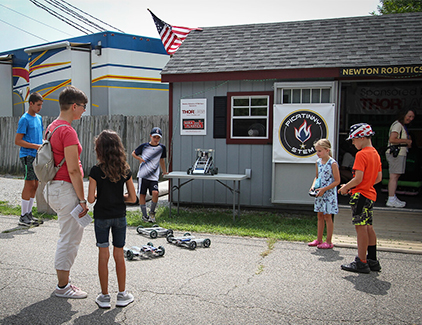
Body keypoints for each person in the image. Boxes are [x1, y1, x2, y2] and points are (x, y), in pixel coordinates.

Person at [43, 86, 89, 298]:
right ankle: (62, 287)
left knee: (67, 236)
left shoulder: (52, 127)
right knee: (69, 239)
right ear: (74, 106)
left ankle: (65, 281)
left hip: (52, 187)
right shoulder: (67, 130)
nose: (83, 110)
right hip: (66, 189)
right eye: (83, 106)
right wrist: (82, 199)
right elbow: (73, 169)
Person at [88, 130, 137, 308]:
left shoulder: (95, 170)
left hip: (101, 217)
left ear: (100, 149)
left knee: (103, 254)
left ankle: (104, 296)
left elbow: (91, 199)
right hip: (119, 217)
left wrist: (100, 195)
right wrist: (119, 198)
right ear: (118, 148)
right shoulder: (125, 169)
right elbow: (133, 198)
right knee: (119, 254)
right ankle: (122, 294)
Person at [338, 123, 382, 273]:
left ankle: (361, 261)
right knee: (369, 226)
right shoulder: (375, 153)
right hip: (370, 195)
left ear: (362, 137)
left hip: (360, 196)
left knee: (360, 228)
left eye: (354, 139)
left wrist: (345, 187)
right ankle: (373, 260)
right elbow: (378, 178)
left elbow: (358, 178)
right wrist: (367, 183)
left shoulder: (361, 154)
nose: (352, 142)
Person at [15, 92, 44, 226]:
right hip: (27, 156)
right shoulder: (24, 119)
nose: (39, 108)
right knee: (29, 184)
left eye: (41, 105)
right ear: (31, 103)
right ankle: (23, 215)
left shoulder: (38, 118)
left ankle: (29, 213)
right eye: (38, 105)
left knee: (36, 184)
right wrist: (35, 146)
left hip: (37, 155)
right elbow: (18, 141)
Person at [308, 139, 340, 249]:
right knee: (320, 215)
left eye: (320, 151)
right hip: (319, 193)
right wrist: (313, 186)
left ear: (327, 150)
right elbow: (317, 177)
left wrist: (324, 189)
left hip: (329, 194)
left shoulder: (333, 163)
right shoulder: (318, 162)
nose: (317, 153)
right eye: (316, 151)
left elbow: (337, 181)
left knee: (328, 216)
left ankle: (329, 241)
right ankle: (319, 239)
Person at [131, 127, 167, 223]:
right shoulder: (144, 146)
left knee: (155, 193)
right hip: (143, 175)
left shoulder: (162, 148)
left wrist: (164, 171)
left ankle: (152, 213)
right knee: (142, 194)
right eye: (154, 137)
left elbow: (162, 160)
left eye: (158, 138)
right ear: (150, 136)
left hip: (154, 175)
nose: (156, 139)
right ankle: (144, 215)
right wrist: (139, 159)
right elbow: (133, 153)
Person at [385, 108, 416, 208]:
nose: (410, 119)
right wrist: (406, 141)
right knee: (394, 176)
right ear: (403, 115)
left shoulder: (401, 126)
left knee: (396, 175)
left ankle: (393, 196)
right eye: (409, 116)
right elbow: (392, 139)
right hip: (396, 153)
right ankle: (391, 198)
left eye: (412, 117)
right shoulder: (397, 125)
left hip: (400, 153)